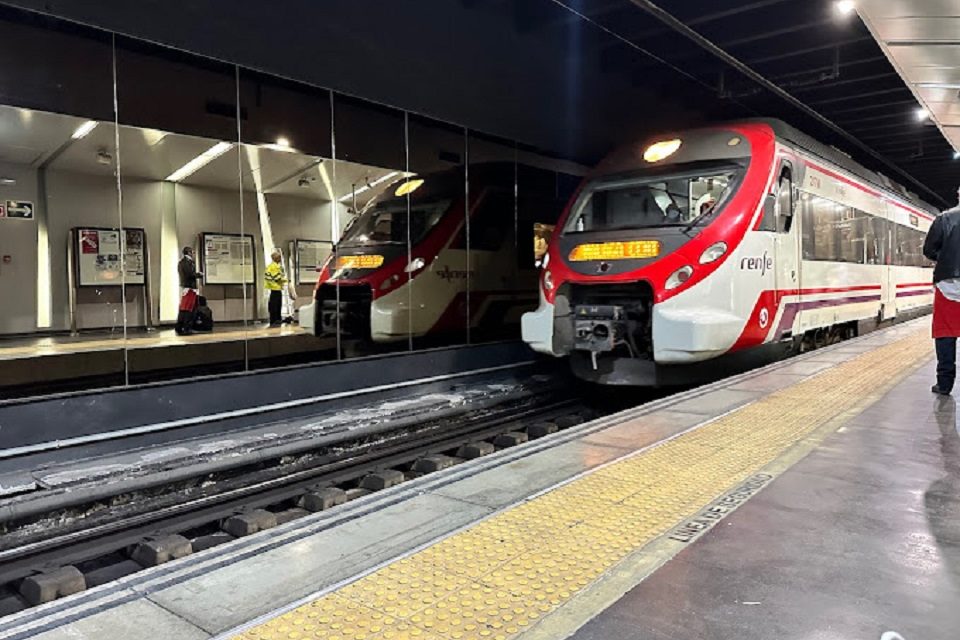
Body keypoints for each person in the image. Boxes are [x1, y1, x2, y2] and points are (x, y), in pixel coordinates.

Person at [923, 186, 960, 394]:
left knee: (945, 335)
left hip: (948, 286)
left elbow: (929, 250)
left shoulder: (944, 219)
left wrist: (945, 259)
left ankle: (945, 384)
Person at [176, 246, 203, 336]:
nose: (193, 254)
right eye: (192, 252)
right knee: (188, 309)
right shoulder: (187, 262)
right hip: (189, 288)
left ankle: (179, 327)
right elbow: (189, 274)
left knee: (184, 308)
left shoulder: (181, 262)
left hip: (186, 287)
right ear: (189, 252)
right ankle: (186, 328)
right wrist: (199, 274)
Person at [264, 249, 288, 327]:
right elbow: (277, 278)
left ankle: (276, 319)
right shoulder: (274, 267)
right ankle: (275, 320)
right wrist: (287, 280)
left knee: (276, 305)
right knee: (275, 306)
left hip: (275, 288)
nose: (280, 259)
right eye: (279, 257)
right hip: (275, 288)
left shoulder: (274, 266)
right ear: (276, 258)